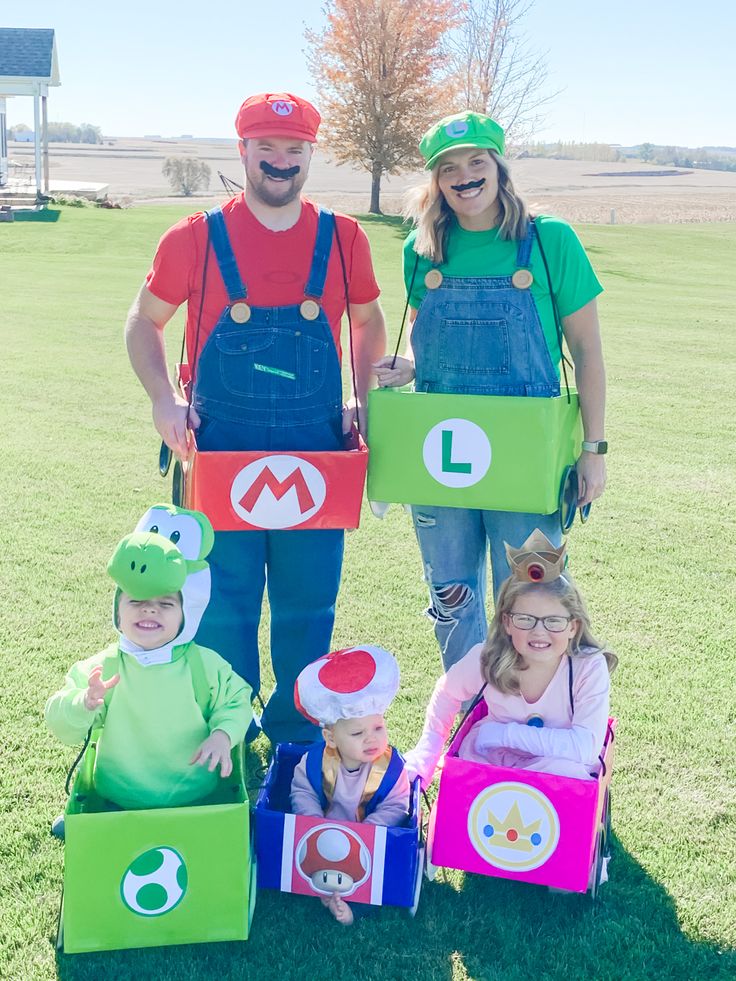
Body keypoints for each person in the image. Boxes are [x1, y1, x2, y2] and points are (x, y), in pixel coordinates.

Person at [125, 93, 386, 743]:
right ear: (242, 150)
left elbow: (370, 321)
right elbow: (143, 323)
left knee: (307, 605)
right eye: (266, 147)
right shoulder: (194, 238)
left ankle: (297, 733)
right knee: (225, 607)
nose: (280, 161)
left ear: (308, 155)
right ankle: (229, 729)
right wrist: (163, 398)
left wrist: (365, 401)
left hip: (314, 449)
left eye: (294, 149)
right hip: (220, 448)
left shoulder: (345, 239)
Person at [373, 110, 607, 672]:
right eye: (449, 167)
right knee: (451, 595)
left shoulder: (551, 241)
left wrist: (593, 450)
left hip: (524, 457)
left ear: (499, 167)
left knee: (533, 595)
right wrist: (406, 365)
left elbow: (588, 352)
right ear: (435, 180)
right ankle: (469, 712)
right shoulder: (421, 248)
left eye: (477, 161)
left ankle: (534, 711)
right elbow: (423, 338)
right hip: (438, 454)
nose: (464, 175)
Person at [45, 505, 252, 810]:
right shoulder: (105, 667)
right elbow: (58, 720)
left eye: (166, 603)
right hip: (119, 797)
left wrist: (222, 734)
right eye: (136, 600)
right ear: (118, 608)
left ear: (187, 613)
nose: (149, 610)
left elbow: (237, 700)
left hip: (194, 796)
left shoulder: (203, 665)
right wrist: (83, 703)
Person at [404, 529, 617, 787]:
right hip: (493, 758)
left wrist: (504, 733)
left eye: (554, 621)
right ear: (506, 622)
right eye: (525, 619)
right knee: (464, 777)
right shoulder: (488, 657)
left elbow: (585, 747)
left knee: (566, 774)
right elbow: (447, 692)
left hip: (554, 764)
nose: (539, 631)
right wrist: (427, 754)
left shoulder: (587, 667)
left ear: (573, 626)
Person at [290, 645, 410, 924]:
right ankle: (324, 893)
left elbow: (397, 805)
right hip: (322, 838)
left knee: (374, 879)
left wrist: (367, 833)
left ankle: (350, 906)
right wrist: (314, 823)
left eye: (378, 728)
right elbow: (302, 790)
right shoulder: (315, 761)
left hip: (369, 843)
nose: (371, 739)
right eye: (358, 733)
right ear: (331, 738)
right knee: (310, 868)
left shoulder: (391, 768)